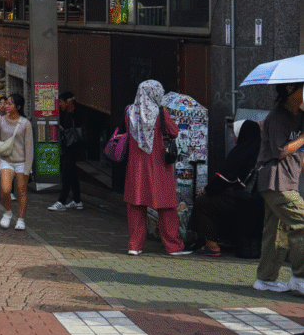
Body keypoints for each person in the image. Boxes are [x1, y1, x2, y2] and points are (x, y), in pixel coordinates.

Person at [124, 80, 190, 256]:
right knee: (167, 205)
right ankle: (173, 246)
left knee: (136, 206)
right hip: (159, 165)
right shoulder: (160, 113)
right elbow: (174, 131)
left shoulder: (130, 111)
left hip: (136, 166)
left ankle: (134, 246)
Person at [253, 83, 304, 293]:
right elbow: (281, 150)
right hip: (275, 180)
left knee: (276, 231)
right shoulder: (277, 117)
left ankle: (265, 279)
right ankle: (300, 278)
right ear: (291, 88)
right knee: (302, 224)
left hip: (289, 180)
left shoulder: (300, 115)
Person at [185, 119, 263, 257]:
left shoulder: (241, 151)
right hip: (258, 200)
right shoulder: (261, 150)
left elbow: (224, 179)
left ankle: (211, 245)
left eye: (236, 134)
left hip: (242, 198)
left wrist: (207, 190)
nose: (234, 137)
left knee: (204, 202)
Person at [0, 94, 34, 231]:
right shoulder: (1, 120)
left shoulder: (25, 124)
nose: (6, 105)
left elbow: (29, 147)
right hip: (6, 160)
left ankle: (21, 219)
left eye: (10, 103)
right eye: (6, 103)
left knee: (21, 191)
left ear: (18, 107)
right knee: (5, 189)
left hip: (21, 162)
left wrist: (28, 167)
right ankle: (7, 212)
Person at [49, 90, 85, 211]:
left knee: (66, 174)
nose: (60, 104)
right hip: (69, 146)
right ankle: (77, 200)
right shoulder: (66, 113)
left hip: (72, 147)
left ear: (68, 102)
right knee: (72, 173)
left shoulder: (76, 113)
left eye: (62, 102)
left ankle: (61, 201)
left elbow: (76, 129)